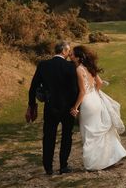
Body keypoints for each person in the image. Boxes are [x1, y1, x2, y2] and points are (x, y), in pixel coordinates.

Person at [70, 45, 126, 170]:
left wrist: (75, 107)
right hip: (96, 100)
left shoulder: (79, 70)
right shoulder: (89, 67)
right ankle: (110, 158)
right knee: (99, 132)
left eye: (73, 54)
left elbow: (82, 92)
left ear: (79, 57)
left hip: (87, 104)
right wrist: (94, 93)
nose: (71, 56)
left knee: (89, 134)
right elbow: (100, 83)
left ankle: (94, 163)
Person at [26, 41, 78, 175]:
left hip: (50, 107)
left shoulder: (43, 65)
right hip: (67, 108)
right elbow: (74, 90)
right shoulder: (70, 66)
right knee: (67, 136)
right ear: (64, 52)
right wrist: (75, 107)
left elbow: (33, 88)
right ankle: (63, 166)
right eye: (68, 51)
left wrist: (32, 105)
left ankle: (48, 167)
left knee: (49, 137)